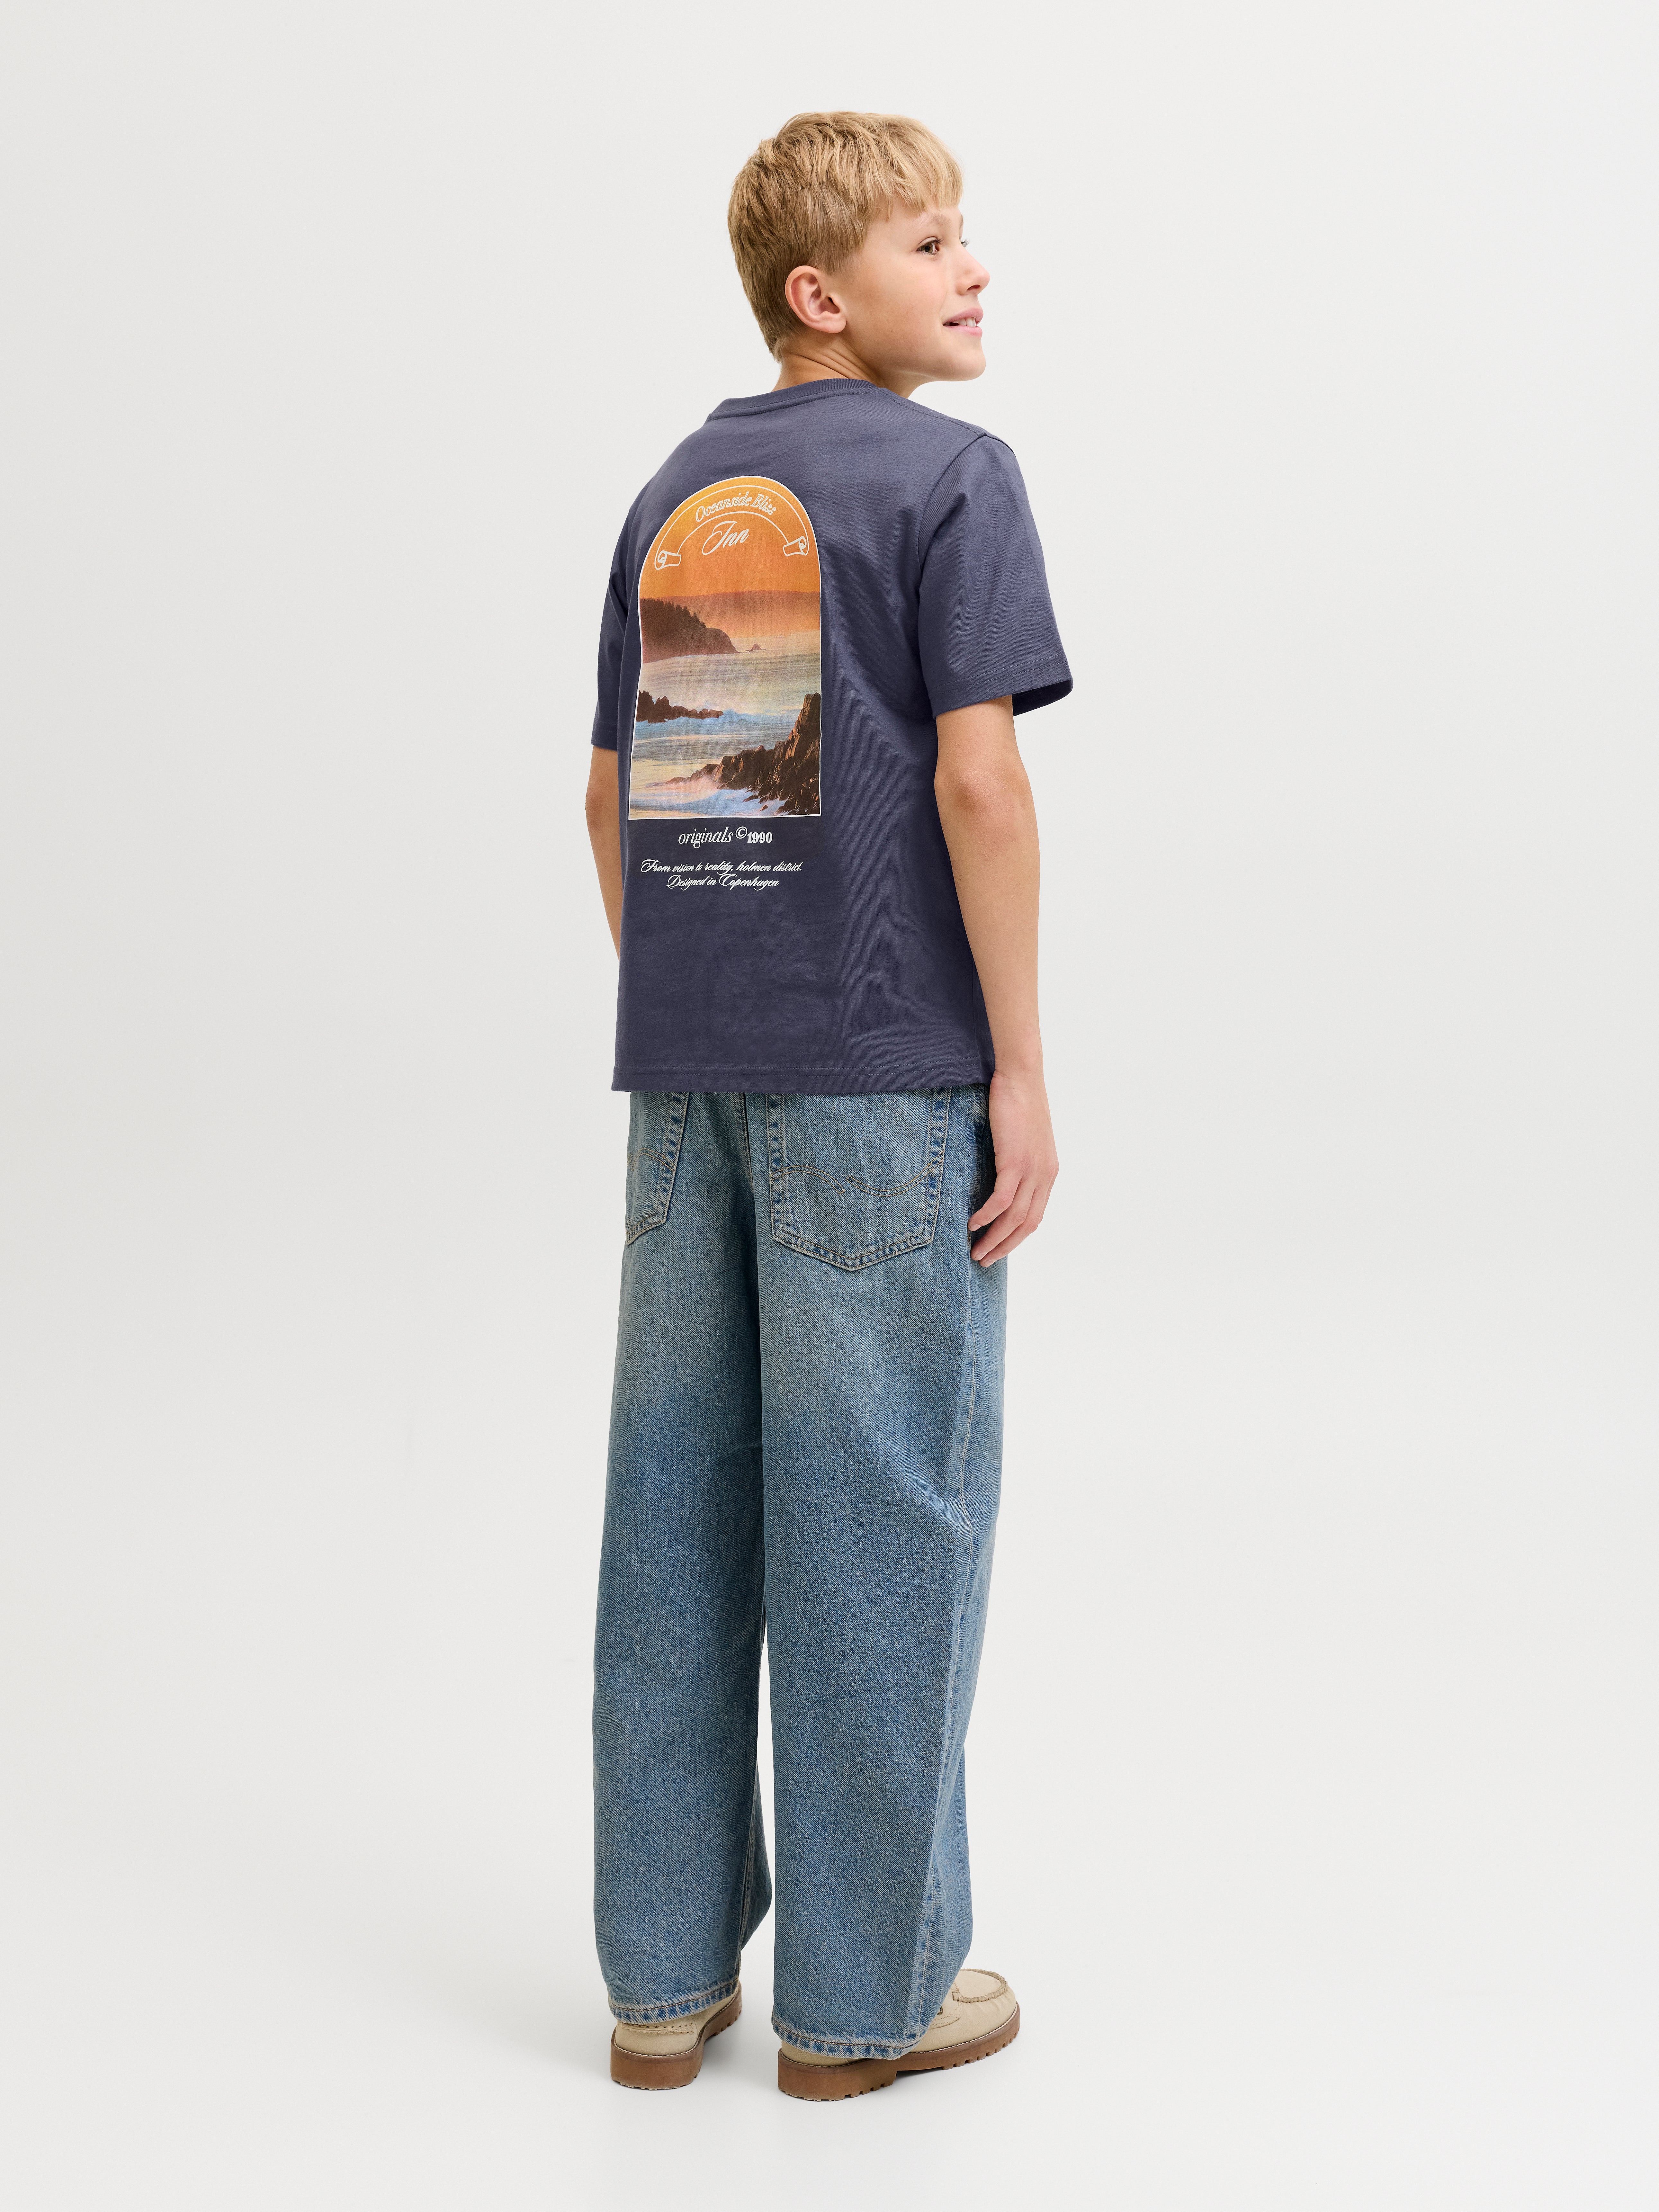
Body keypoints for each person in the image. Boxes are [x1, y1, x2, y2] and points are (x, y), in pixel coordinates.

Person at [584, 110, 1071, 2102]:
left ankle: (657, 1984)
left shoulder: (684, 498)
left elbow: (618, 800)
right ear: (822, 291)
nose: (974, 269)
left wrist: (705, 1002)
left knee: (677, 1519)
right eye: (932, 242)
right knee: (881, 1524)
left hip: (690, 1093)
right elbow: (980, 783)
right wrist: (1017, 1063)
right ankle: (864, 2004)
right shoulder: (952, 479)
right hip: (880, 1088)